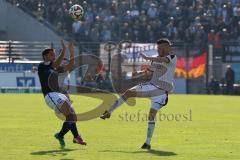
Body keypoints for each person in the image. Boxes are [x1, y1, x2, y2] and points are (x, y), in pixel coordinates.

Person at [100, 38, 177, 149]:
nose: (158, 49)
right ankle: (109, 112)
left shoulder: (172, 58)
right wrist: (137, 73)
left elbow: (163, 60)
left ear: (166, 48)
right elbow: (149, 71)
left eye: (160, 48)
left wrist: (146, 58)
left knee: (151, 115)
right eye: (157, 48)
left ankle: (147, 143)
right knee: (129, 93)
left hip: (161, 93)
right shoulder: (156, 59)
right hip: (151, 86)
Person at [38, 40, 86, 148]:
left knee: (73, 117)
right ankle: (76, 136)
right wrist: (64, 50)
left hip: (59, 94)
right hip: (50, 96)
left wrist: (72, 52)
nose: (54, 56)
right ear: (45, 57)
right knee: (70, 115)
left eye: (54, 54)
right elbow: (57, 61)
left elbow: (70, 66)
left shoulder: (55, 68)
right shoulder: (43, 66)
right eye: (51, 54)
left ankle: (61, 135)